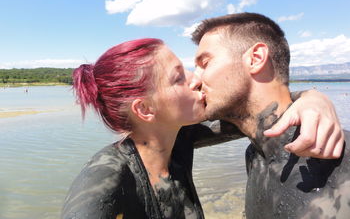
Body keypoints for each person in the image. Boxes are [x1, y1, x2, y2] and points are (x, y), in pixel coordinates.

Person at [62, 38, 343, 219]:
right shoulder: (108, 172)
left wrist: (312, 98)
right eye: (178, 78)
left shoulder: (178, 140)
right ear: (145, 109)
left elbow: (252, 114)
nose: (196, 79)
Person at [192, 12, 349, 218]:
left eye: (205, 63)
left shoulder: (341, 158)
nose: (194, 80)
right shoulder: (255, 154)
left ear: (256, 59)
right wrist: (311, 94)